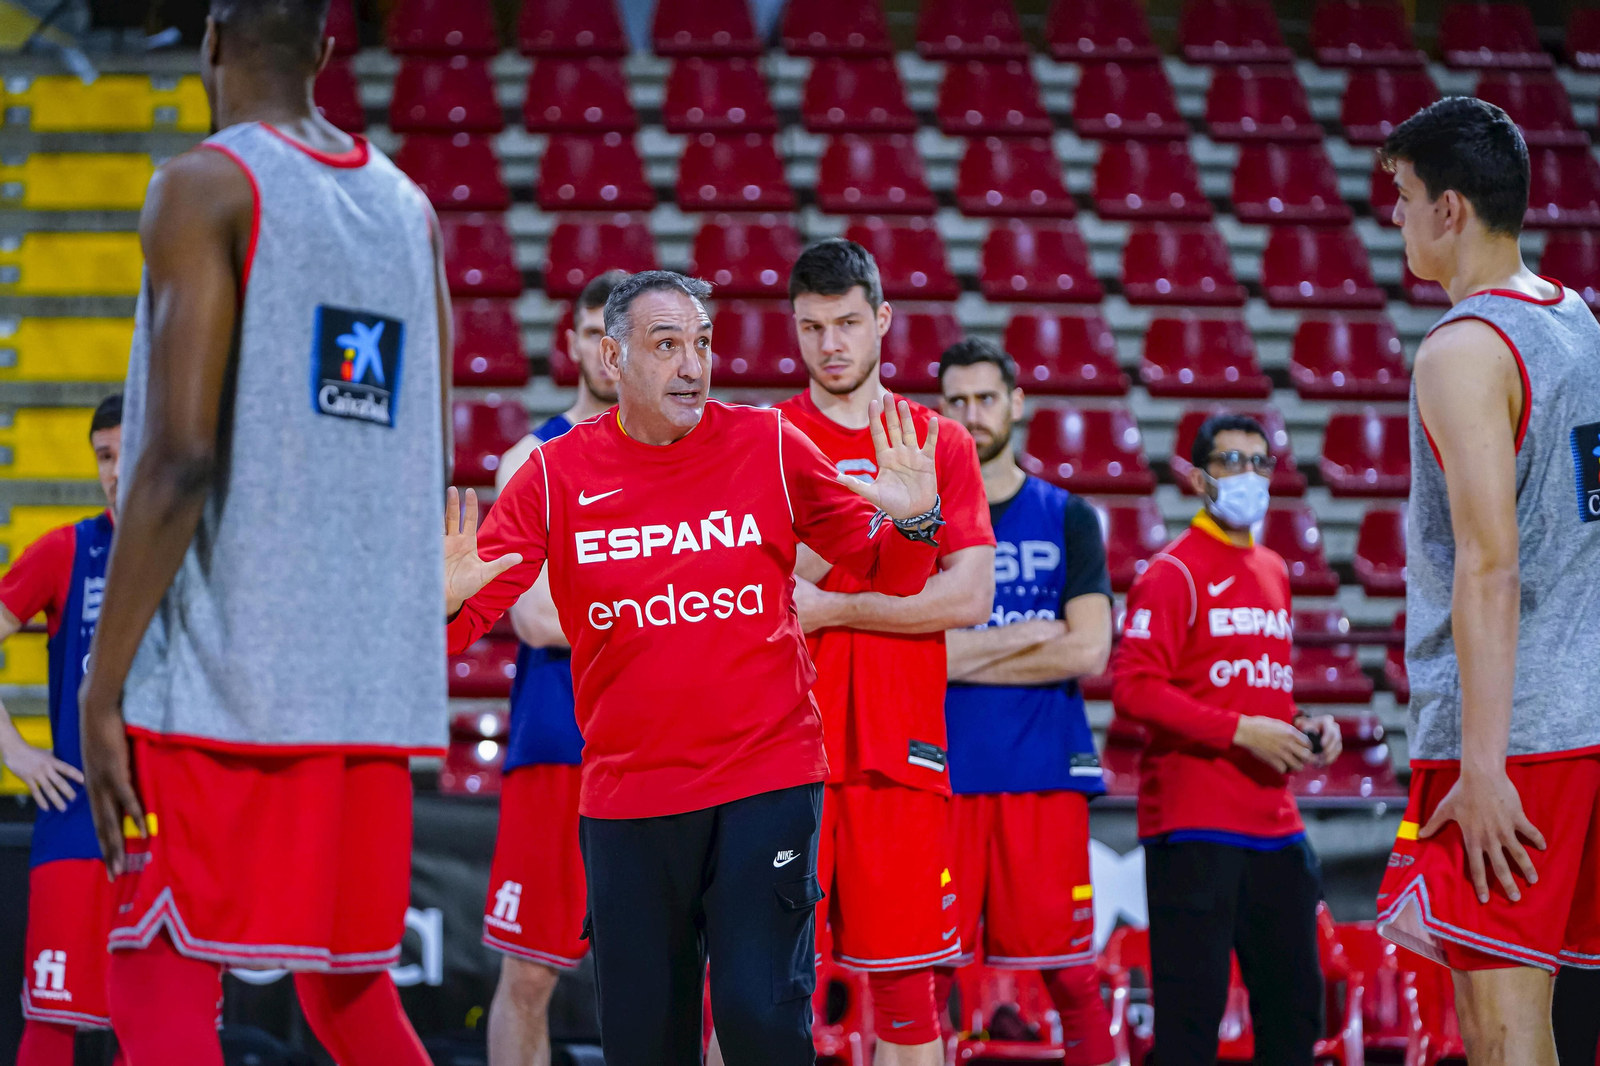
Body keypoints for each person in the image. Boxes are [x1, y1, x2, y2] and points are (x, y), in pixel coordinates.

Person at [443, 269, 948, 1066]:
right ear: (611, 358)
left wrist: (918, 517)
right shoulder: (553, 472)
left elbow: (892, 568)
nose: (692, 365)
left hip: (766, 778)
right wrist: (434, 605)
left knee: (759, 1018)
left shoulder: (772, 445)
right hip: (629, 798)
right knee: (647, 1041)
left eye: (703, 344)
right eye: (667, 345)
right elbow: (467, 619)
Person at [78, 1, 451, 1062]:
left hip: (222, 672)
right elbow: (421, 446)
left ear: (210, 44)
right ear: (326, 54)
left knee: (151, 973)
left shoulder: (202, 185)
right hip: (366, 692)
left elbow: (178, 454)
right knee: (350, 998)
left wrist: (103, 688)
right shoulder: (412, 208)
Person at [1373, 97, 1600, 1066]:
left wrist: (1482, 763)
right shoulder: (1575, 316)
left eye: (1402, 196)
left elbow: (1490, 565)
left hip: (1518, 736)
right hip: (1576, 710)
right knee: (1507, 1022)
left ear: (1451, 209)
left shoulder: (1463, 348)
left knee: (1504, 1030)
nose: (1394, 218)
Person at [773, 239, 995, 1064]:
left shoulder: (940, 442)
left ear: (883, 321)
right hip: (779, 754)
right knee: (756, 995)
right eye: (811, 327)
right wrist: (885, 535)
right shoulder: (763, 441)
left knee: (906, 1002)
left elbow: (969, 595)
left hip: (902, 755)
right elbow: (759, 599)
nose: (831, 344)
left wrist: (835, 606)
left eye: (847, 323)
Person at [1112, 413, 1343, 1066]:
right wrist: (1243, 731)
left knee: (1296, 1014)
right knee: (1190, 1025)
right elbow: (1134, 689)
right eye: (1230, 461)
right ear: (1195, 477)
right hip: (1195, 826)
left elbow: (1258, 686)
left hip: (1276, 826)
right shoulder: (1172, 572)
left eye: (1259, 462)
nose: (1248, 475)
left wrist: (1304, 730)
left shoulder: (1273, 567)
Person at [934, 339, 1116, 1065]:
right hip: (944, 771)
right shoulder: (925, 522)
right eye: (957, 401)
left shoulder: (1068, 516)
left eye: (985, 399)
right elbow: (919, 658)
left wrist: (962, 655)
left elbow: (1088, 651)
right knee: (925, 973)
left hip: (1044, 772)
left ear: (1016, 403)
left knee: (1072, 974)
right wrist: (1027, 637)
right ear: (939, 411)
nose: (972, 415)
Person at [483, 269, 623, 1066]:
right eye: (592, 330)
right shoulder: (529, 460)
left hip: (669, 742)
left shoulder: (679, 456)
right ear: (570, 343)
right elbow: (534, 616)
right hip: (560, 738)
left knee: (694, 976)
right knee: (531, 974)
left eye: (619, 331)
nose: (606, 349)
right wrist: (671, 618)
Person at [1, 396, 121, 1066]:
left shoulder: (194, 549)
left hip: (167, 831)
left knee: (155, 1025)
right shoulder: (67, 550)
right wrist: (15, 750)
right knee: (52, 1025)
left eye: (129, 450)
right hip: (75, 823)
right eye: (103, 455)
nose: (115, 469)